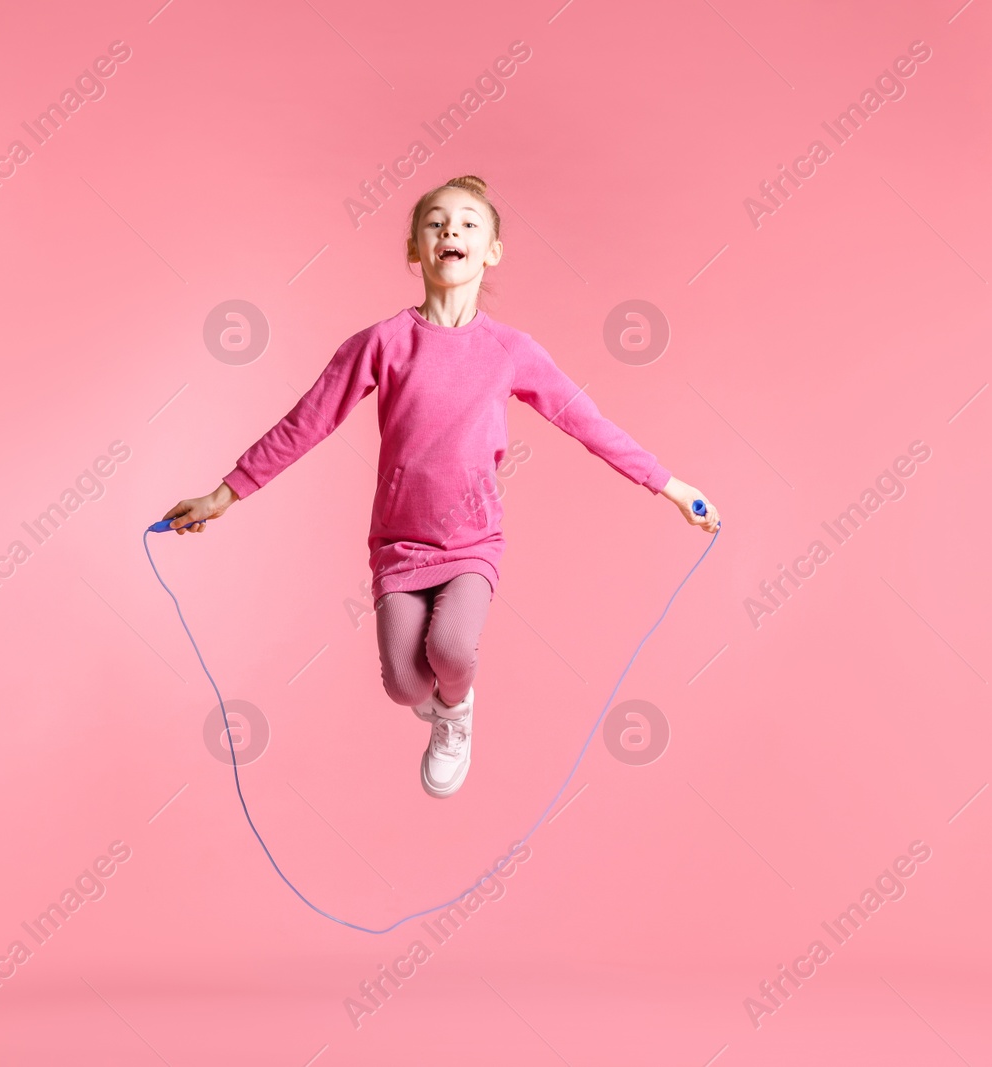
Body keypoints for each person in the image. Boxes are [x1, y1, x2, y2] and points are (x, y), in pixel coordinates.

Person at [164, 175, 719, 799]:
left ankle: (457, 715)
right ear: (415, 250)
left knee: (451, 648)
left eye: (468, 223)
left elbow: (588, 424)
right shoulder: (381, 343)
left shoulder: (511, 350)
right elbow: (306, 423)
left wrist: (670, 486)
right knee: (403, 684)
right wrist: (222, 494)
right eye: (435, 222)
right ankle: (437, 707)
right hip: (399, 542)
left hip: (472, 541)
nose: (450, 230)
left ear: (492, 252)